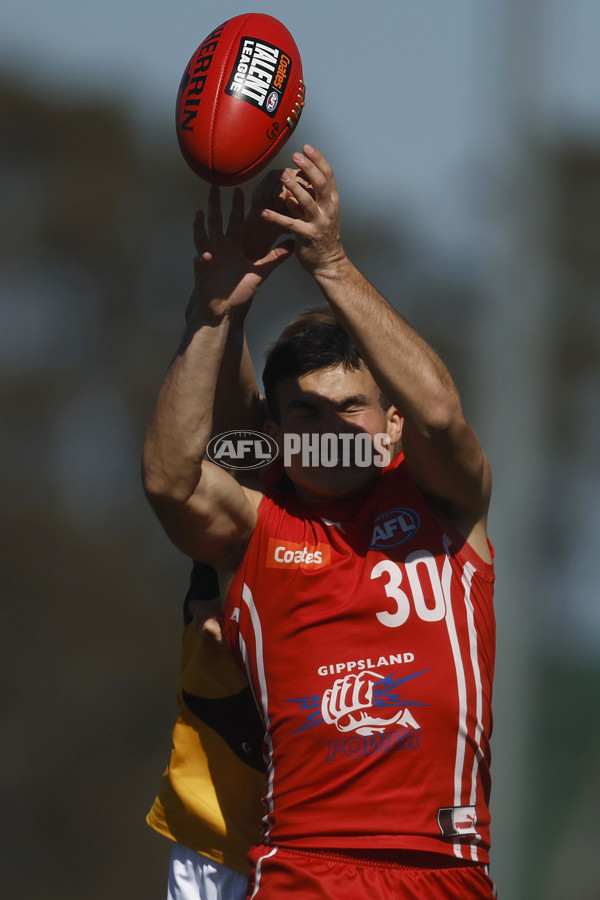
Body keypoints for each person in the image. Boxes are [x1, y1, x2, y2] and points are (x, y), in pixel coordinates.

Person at [143, 145, 496, 899]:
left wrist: (330, 260)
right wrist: (213, 314)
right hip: (308, 867)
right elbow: (169, 480)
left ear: (392, 426)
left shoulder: (447, 507)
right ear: (276, 435)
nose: (329, 426)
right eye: (305, 412)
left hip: (448, 873)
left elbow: (439, 410)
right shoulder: (261, 527)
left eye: (352, 408)